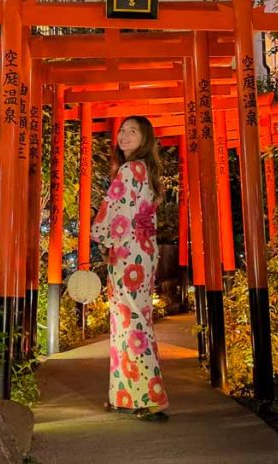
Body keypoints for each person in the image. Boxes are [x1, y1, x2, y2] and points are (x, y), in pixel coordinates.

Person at [90, 116, 169, 422]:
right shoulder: (148, 170)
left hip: (128, 251)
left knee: (131, 323)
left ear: (144, 138)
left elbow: (115, 213)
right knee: (132, 320)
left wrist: (101, 236)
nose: (123, 136)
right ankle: (126, 394)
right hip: (144, 250)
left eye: (132, 131)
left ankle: (149, 397)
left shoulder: (128, 169)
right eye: (122, 131)